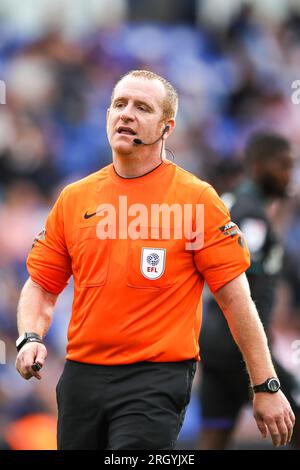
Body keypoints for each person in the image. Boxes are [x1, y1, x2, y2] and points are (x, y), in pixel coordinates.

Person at [15, 70, 295, 450]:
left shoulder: (196, 200)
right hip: (81, 377)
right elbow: (42, 285)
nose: (126, 114)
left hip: (155, 378)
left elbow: (237, 300)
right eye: (119, 104)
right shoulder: (75, 198)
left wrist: (266, 384)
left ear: (166, 127)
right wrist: (29, 337)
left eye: (142, 107)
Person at [198, 132, 300, 449]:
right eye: (284, 166)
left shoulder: (232, 201)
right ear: (258, 167)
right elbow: (238, 275)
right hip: (239, 345)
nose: (289, 175)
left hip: (214, 344)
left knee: (213, 438)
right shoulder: (251, 215)